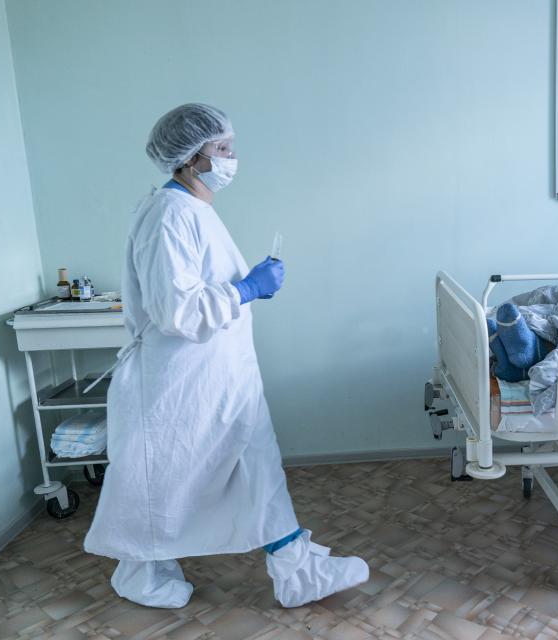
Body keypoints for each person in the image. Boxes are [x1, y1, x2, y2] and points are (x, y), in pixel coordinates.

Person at [84, 103, 368, 609]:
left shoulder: (196, 209)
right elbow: (176, 311)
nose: (232, 156)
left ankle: (296, 569)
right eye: (222, 148)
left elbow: (203, 292)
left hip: (219, 374)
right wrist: (247, 289)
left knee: (258, 460)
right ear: (192, 156)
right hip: (178, 379)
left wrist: (245, 289)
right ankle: (139, 573)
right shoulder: (168, 215)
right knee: (161, 477)